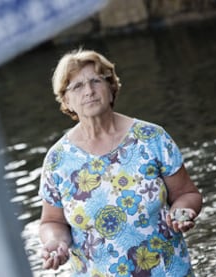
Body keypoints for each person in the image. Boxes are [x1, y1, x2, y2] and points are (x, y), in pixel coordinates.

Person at [38, 49, 202, 276]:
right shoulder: (57, 160)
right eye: (77, 86)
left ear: (111, 87)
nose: (89, 91)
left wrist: (182, 213)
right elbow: (51, 221)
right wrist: (56, 243)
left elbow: (187, 194)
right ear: (66, 100)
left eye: (96, 81)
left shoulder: (152, 137)